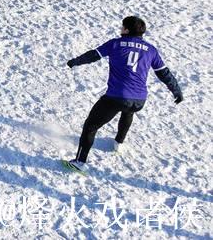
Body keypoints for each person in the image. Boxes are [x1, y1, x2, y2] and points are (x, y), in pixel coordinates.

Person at [62, 16, 183, 174]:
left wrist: (75, 61)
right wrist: (176, 90)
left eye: (122, 27)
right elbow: (164, 73)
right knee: (128, 110)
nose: (120, 29)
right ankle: (119, 143)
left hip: (116, 97)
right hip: (139, 99)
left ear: (126, 29)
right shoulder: (151, 49)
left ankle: (79, 162)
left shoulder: (115, 44)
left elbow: (94, 55)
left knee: (90, 126)